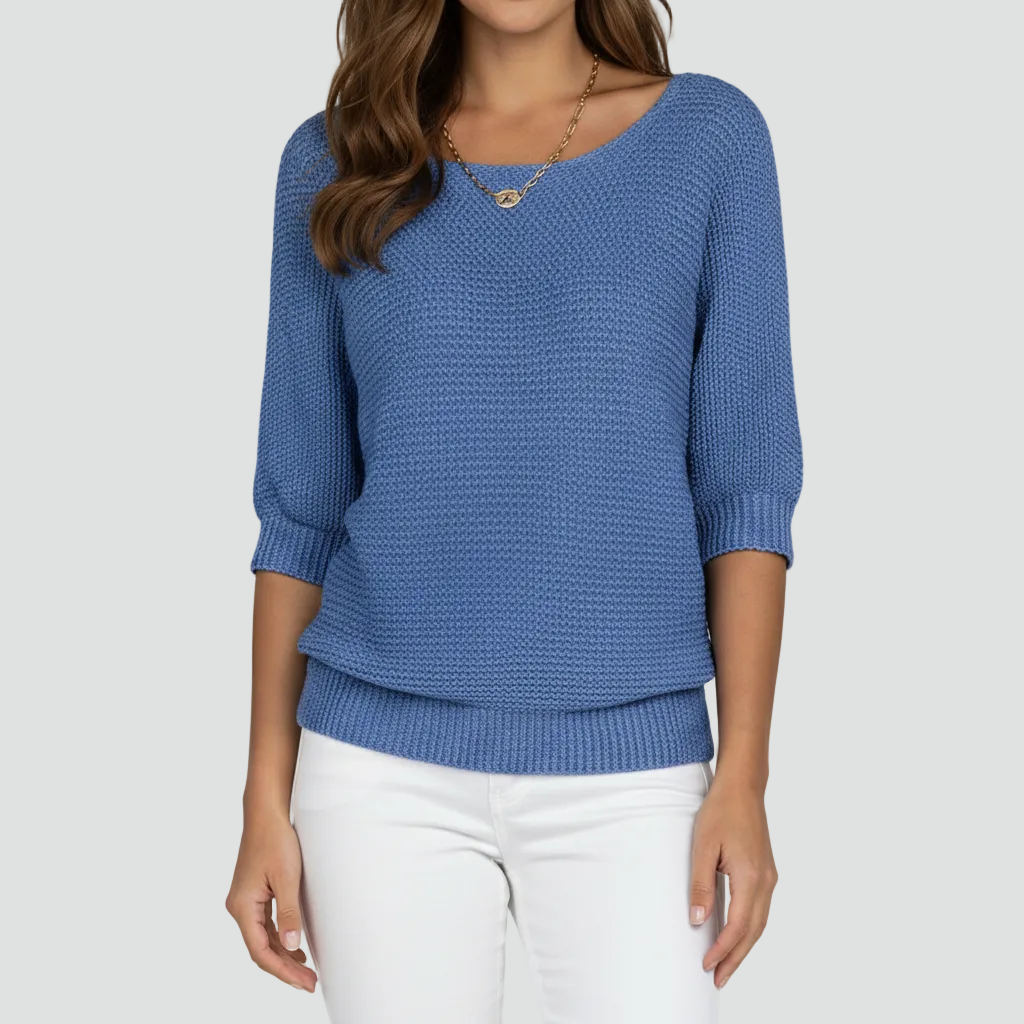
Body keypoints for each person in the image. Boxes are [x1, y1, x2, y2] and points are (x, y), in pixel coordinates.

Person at [225, 1, 803, 1020]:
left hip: (634, 769)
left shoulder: (709, 141)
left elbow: (745, 491)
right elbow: (301, 510)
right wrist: (262, 801)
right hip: (374, 771)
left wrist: (743, 778)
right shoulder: (336, 160)